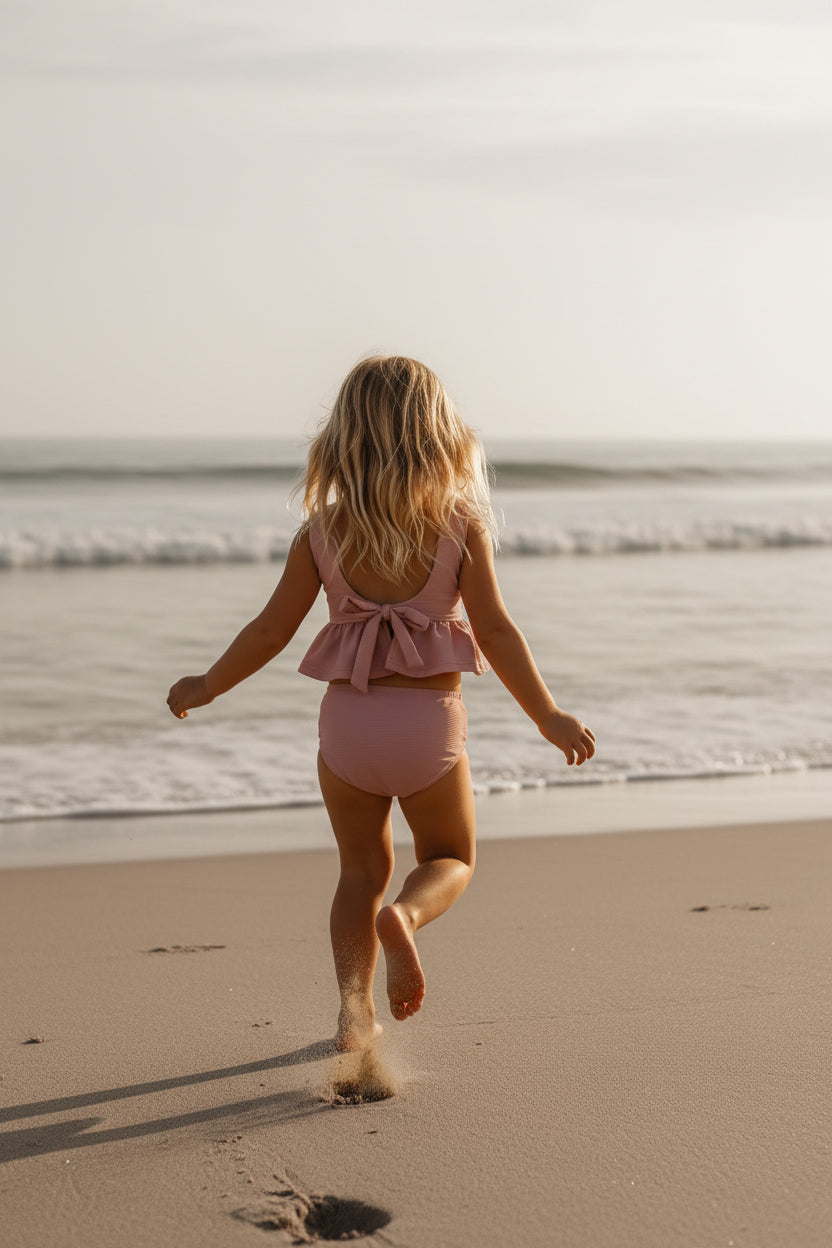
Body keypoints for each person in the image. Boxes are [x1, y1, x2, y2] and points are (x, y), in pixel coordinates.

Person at [167, 356, 595, 1052]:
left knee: (359, 871)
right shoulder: (461, 525)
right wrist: (547, 715)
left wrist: (208, 685)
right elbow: (496, 631)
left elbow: (272, 631)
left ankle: (353, 1010)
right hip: (427, 731)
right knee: (450, 855)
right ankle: (408, 919)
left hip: (349, 731)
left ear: (345, 439)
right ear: (439, 435)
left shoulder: (321, 533)